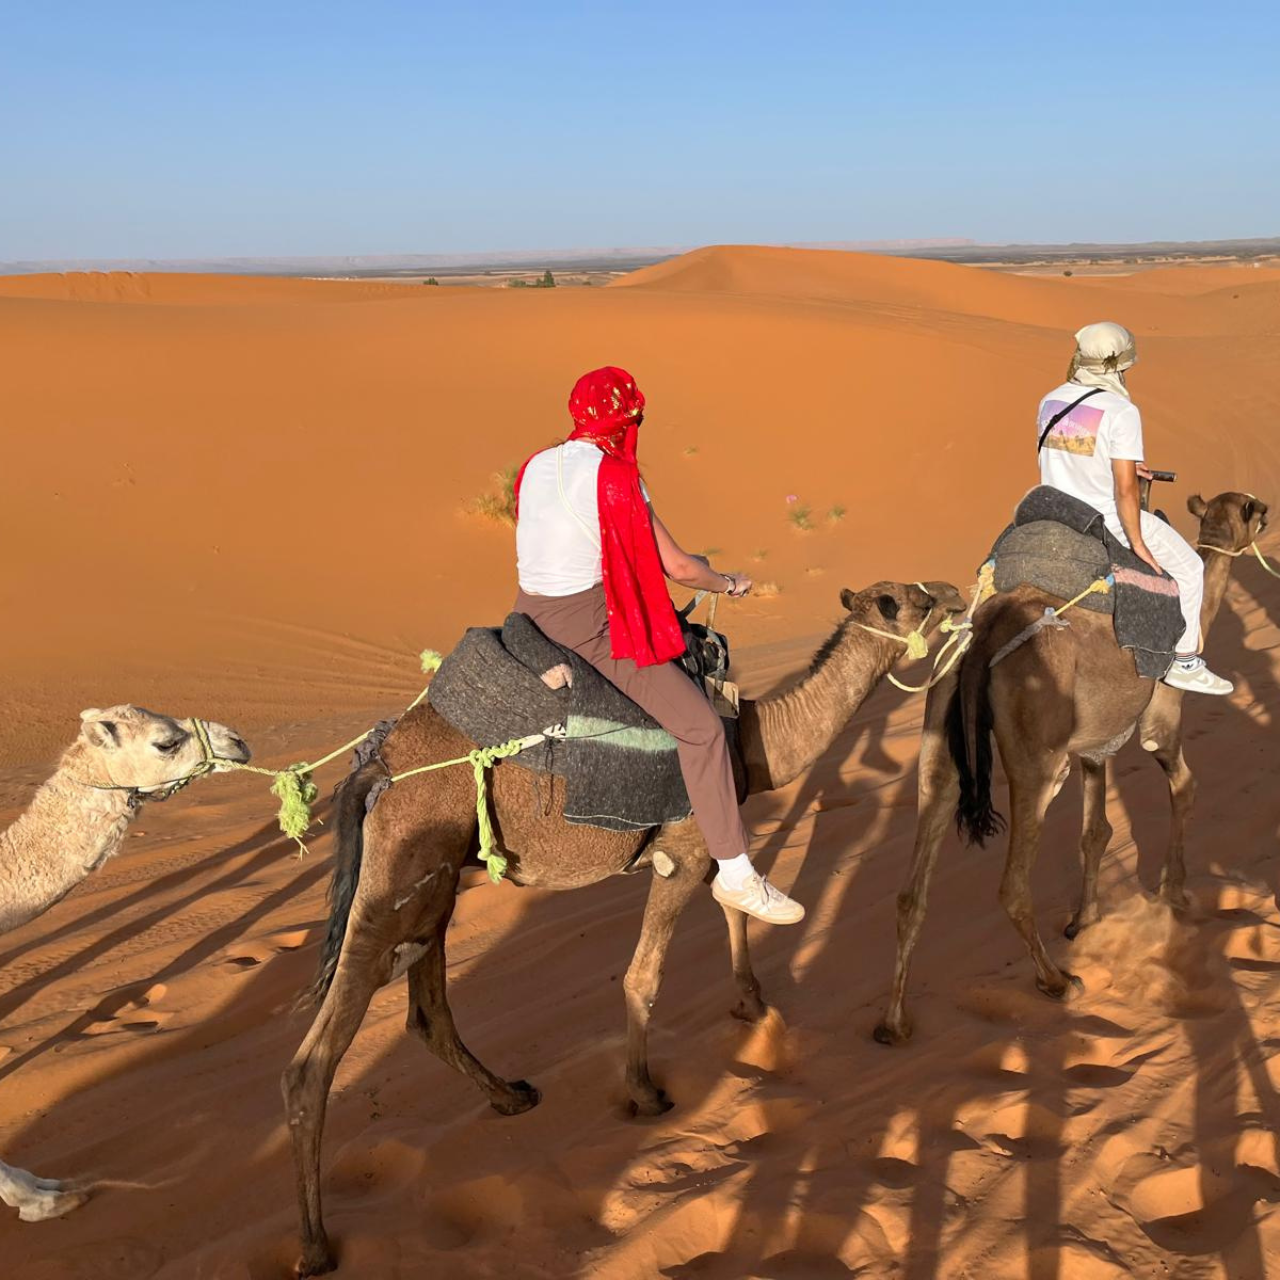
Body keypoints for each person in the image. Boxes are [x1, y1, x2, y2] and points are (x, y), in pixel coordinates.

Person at [513, 366, 805, 924]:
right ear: (625, 419)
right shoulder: (615, 477)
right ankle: (737, 874)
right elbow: (677, 567)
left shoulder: (533, 466)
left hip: (527, 614)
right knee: (699, 729)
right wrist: (727, 582)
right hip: (587, 627)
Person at [1037, 322, 1232, 695]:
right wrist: (1136, 540)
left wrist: (1121, 462)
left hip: (1052, 511)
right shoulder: (1120, 409)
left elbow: (1068, 452)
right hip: (1101, 516)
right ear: (1120, 366)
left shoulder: (1051, 399)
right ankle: (1185, 661)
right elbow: (1126, 492)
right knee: (1191, 568)